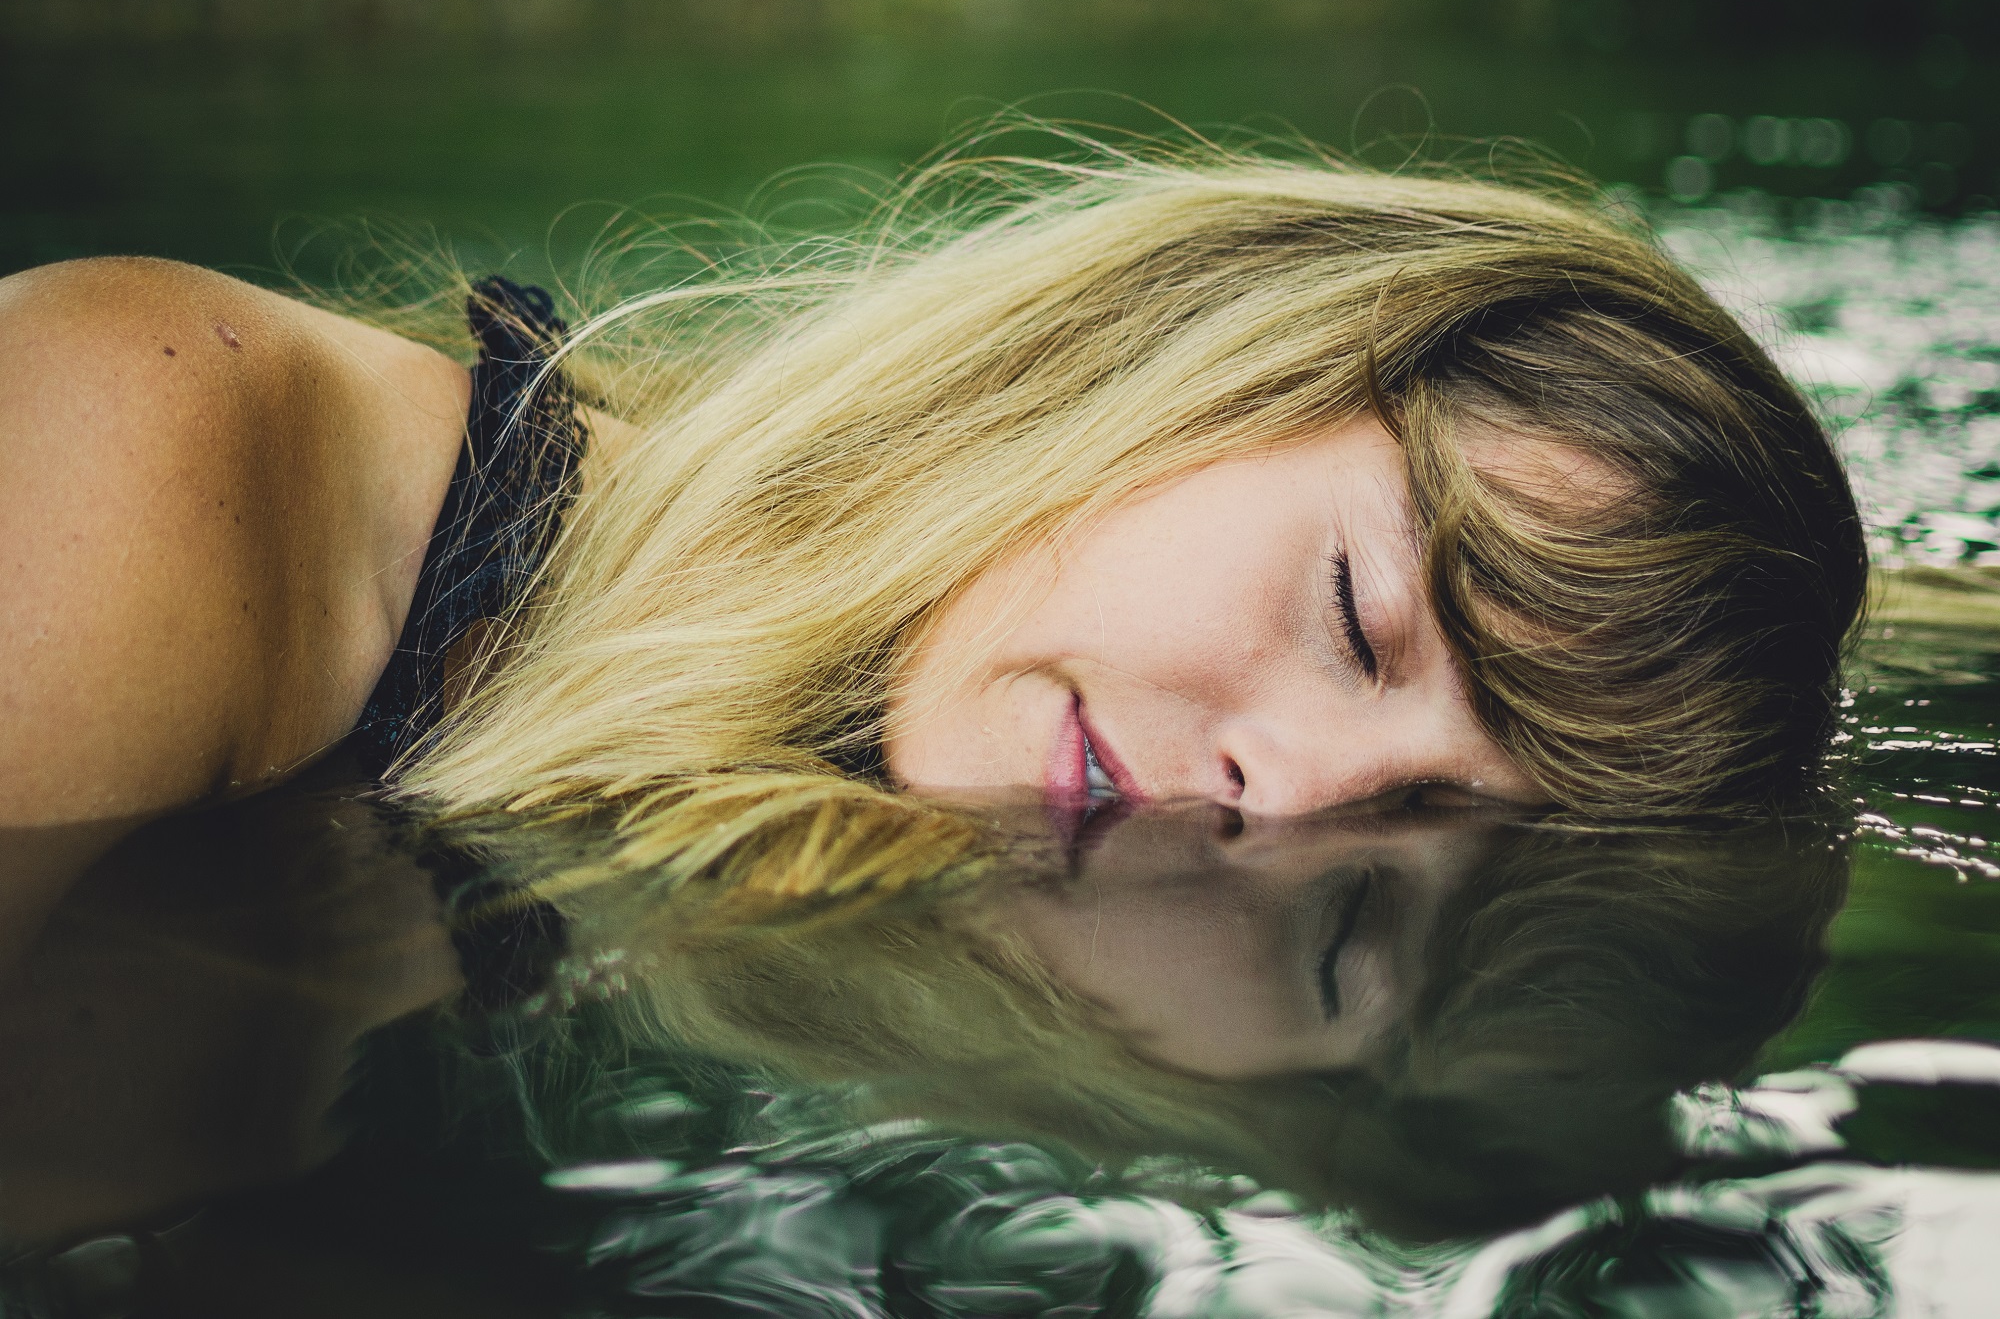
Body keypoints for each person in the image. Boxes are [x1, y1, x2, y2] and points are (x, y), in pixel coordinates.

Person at [0, 143, 1868, 918]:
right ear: (1184, 355)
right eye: (1358, 615)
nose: (1286, 804)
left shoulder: (745, 857)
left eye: (1425, 824)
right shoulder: (150, 452)